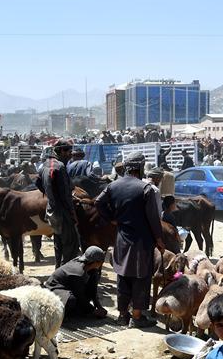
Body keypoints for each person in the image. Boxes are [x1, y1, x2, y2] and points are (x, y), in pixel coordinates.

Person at [96, 152, 165, 328]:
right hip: (141, 241)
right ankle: (137, 317)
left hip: (121, 239)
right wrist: (159, 239)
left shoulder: (113, 186)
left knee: (123, 276)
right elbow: (153, 218)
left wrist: (111, 218)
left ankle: (122, 315)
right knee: (141, 278)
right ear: (140, 167)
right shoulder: (145, 189)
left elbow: (98, 202)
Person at [38, 138, 81, 267]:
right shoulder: (60, 166)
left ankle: (58, 270)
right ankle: (66, 275)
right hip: (63, 214)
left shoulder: (45, 164)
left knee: (58, 244)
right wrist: (72, 214)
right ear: (61, 151)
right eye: (68, 151)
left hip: (51, 211)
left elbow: (39, 184)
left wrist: (52, 196)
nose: (70, 154)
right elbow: (65, 195)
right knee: (70, 246)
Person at [43, 245, 107, 320]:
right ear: (95, 262)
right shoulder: (78, 272)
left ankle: (76, 310)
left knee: (85, 299)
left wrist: (99, 307)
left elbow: (93, 291)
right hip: (53, 289)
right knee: (71, 300)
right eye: (101, 262)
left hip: (69, 288)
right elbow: (79, 295)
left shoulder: (92, 269)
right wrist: (93, 311)